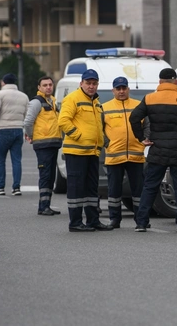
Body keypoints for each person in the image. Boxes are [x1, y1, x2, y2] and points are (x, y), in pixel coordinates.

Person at [129, 68, 177, 232]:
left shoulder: (149, 98)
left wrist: (141, 138)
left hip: (157, 148)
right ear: (176, 82)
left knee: (150, 186)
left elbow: (134, 118)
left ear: (160, 82)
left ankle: (141, 222)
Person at [58, 69, 114, 232]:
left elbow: (97, 125)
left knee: (91, 188)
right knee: (76, 188)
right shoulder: (73, 99)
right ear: (81, 83)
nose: (91, 86)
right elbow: (63, 121)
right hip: (76, 151)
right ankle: (75, 222)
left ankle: (92, 220)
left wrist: (103, 140)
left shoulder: (95, 101)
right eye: (88, 83)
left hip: (92, 152)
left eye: (94, 83)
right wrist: (79, 136)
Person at [101, 76, 147, 228]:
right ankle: (114, 219)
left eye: (124, 88)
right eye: (118, 89)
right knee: (114, 190)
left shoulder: (138, 105)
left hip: (136, 154)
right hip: (114, 155)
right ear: (113, 90)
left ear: (128, 89)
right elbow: (98, 129)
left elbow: (147, 124)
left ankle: (141, 220)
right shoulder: (104, 107)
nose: (121, 91)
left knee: (138, 191)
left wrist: (144, 140)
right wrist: (107, 143)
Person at [23, 76, 62, 215]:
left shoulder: (52, 102)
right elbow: (28, 122)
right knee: (45, 175)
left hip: (53, 142)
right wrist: (31, 136)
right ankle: (43, 206)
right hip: (43, 143)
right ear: (39, 88)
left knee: (50, 175)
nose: (48, 87)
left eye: (50, 84)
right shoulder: (36, 102)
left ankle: (45, 205)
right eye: (45, 85)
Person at [0, 73, 28, 196]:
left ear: (3, 82)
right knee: (16, 160)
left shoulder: (0, 94)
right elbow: (27, 115)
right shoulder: (24, 96)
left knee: (0, 160)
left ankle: (0, 187)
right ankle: (16, 188)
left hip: (3, 129)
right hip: (18, 129)